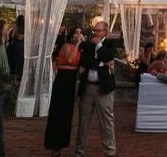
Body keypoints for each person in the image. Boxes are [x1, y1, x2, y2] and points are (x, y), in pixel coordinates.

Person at [73, 20, 117, 157]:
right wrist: (102, 63)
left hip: (104, 89)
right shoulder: (87, 45)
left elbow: (109, 56)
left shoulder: (110, 44)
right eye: (94, 31)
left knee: (107, 122)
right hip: (88, 88)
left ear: (105, 32)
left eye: (98, 31)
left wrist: (98, 45)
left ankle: (110, 152)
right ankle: (79, 152)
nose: (95, 33)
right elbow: (84, 61)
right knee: (83, 121)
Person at [45, 26, 84, 155]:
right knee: (58, 113)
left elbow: (79, 65)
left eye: (80, 33)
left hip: (71, 81)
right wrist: (78, 43)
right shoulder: (67, 46)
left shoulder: (80, 49)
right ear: (72, 35)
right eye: (76, 33)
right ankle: (54, 147)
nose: (78, 35)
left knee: (66, 115)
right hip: (62, 81)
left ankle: (60, 147)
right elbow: (70, 59)